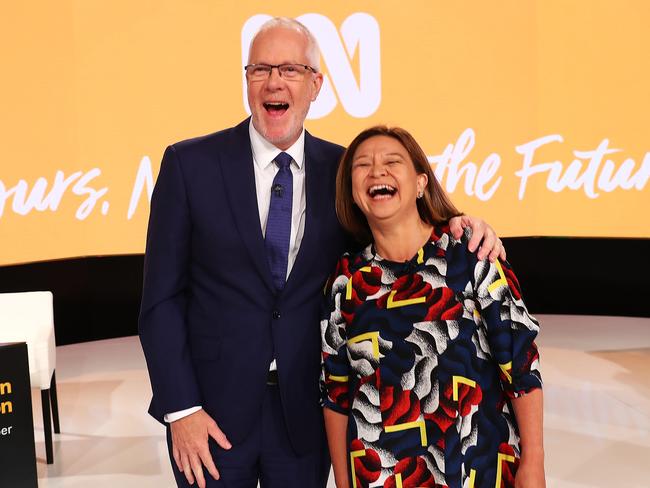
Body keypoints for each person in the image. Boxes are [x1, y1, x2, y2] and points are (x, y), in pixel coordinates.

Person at [139, 18, 506, 488]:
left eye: (290, 69)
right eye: (260, 70)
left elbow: (398, 228)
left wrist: (457, 222)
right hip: (210, 416)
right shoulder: (189, 165)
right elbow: (160, 301)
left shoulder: (344, 169)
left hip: (306, 418)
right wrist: (181, 409)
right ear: (246, 82)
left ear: (315, 85)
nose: (274, 81)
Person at [321, 126, 544, 488]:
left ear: (421, 182)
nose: (377, 171)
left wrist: (534, 463)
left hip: (479, 471)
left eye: (392, 161)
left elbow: (522, 368)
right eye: (363, 165)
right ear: (353, 193)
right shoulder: (346, 282)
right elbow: (336, 395)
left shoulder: (471, 254)